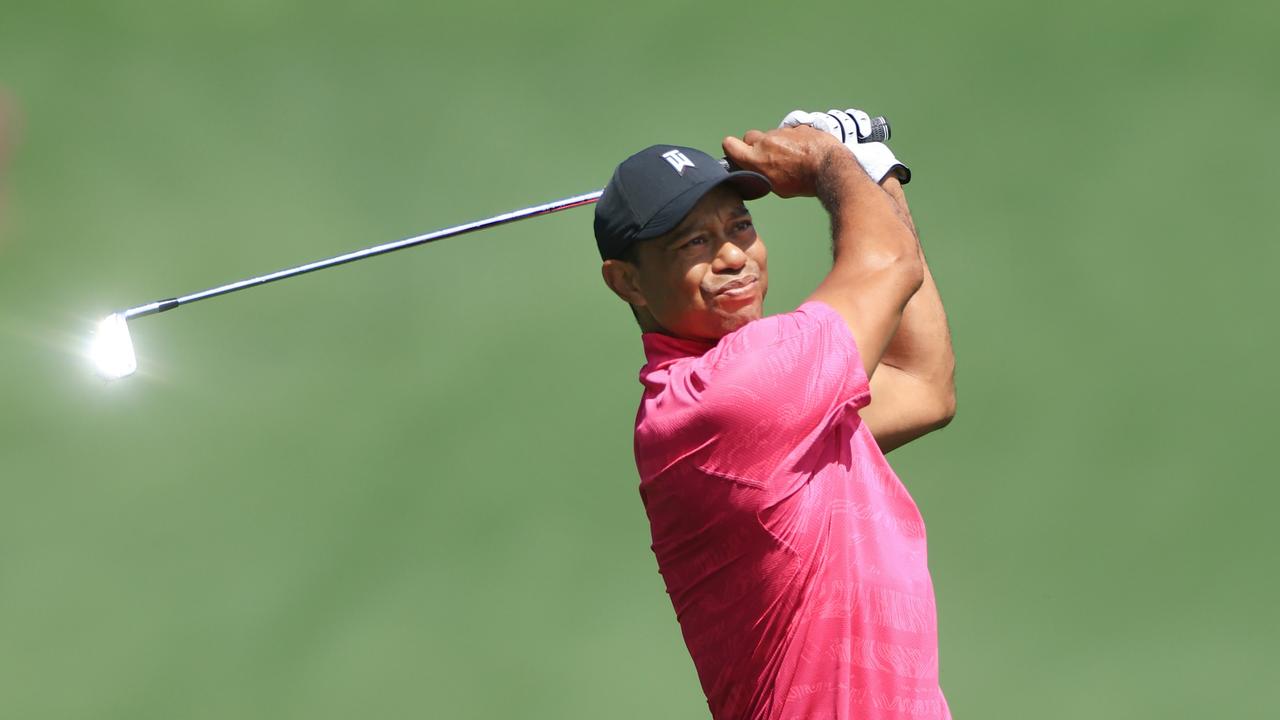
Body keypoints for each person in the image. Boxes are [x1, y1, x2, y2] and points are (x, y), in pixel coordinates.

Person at [594, 108, 956, 720]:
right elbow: (889, 265)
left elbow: (920, 384)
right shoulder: (724, 395)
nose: (734, 257)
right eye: (695, 242)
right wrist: (829, 161)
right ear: (627, 282)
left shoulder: (769, 398)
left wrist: (874, 171)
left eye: (740, 226)